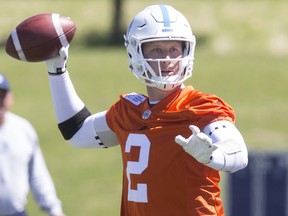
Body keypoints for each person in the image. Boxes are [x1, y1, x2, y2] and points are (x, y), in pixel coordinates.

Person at [44, 4, 248, 216]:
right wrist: (57, 71)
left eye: (174, 50)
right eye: (157, 49)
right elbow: (76, 132)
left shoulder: (199, 107)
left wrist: (212, 156)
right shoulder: (129, 111)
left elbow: (239, 154)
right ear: (136, 52)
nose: (167, 60)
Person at [0, 73, 65, 216]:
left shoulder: (22, 129)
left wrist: (54, 209)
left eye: (1, 95)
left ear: (10, 98)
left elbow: (37, 174)